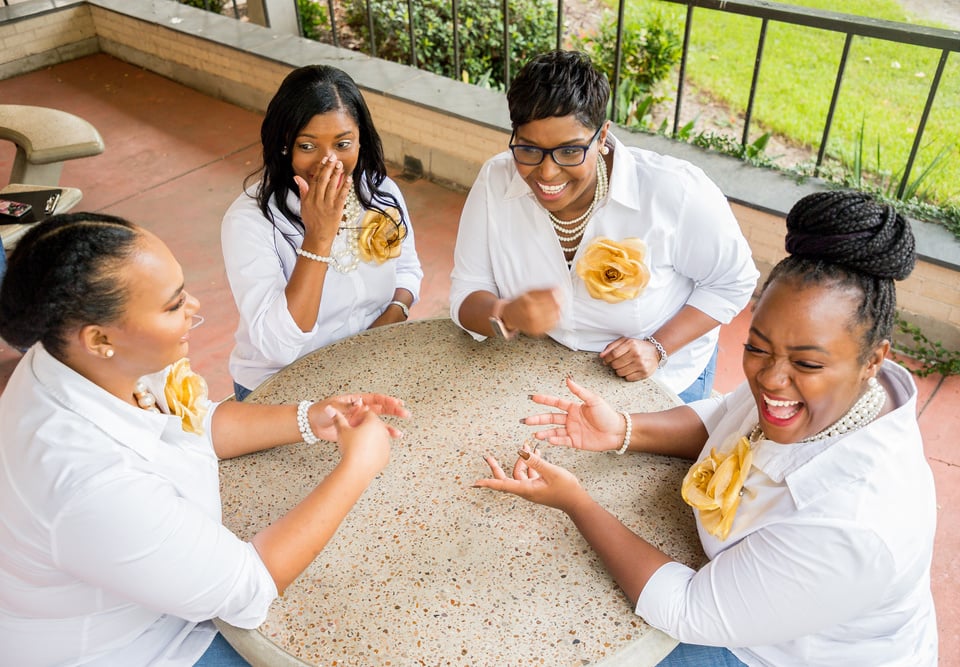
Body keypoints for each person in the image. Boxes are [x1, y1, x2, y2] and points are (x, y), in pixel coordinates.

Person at [475, 191, 937, 666]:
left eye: (806, 362)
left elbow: (687, 609)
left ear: (874, 361)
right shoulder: (825, 396)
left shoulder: (852, 526)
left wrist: (576, 502)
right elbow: (728, 416)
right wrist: (621, 431)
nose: (771, 380)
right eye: (757, 348)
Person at [0, 213, 409, 666]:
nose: (194, 305)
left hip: (159, 600)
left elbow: (192, 424)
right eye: (174, 305)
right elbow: (248, 588)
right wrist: (358, 468)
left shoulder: (81, 355)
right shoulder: (88, 481)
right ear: (99, 338)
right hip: (138, 648)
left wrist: (311, 419)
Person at [449, 50, 758, 402]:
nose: (547, 173)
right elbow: (467, 290)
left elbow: (733, 281)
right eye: (529, 150)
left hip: (661, 377)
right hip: (549, 372)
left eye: (569, 152)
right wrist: (504, 313)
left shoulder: (674, 190)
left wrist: (658, 348)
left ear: (602, 135)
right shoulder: (495, 179)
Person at [222, 65, 423, 400]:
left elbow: (408, 270)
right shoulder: (249, 222)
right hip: (282, 389)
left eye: (343, 143)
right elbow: (278, 346)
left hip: (366, 368)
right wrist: (318, 237)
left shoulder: (380, 192)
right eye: (307, 146)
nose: (329, 162)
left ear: (361, 140)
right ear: (285, 144)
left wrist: (391, 317)